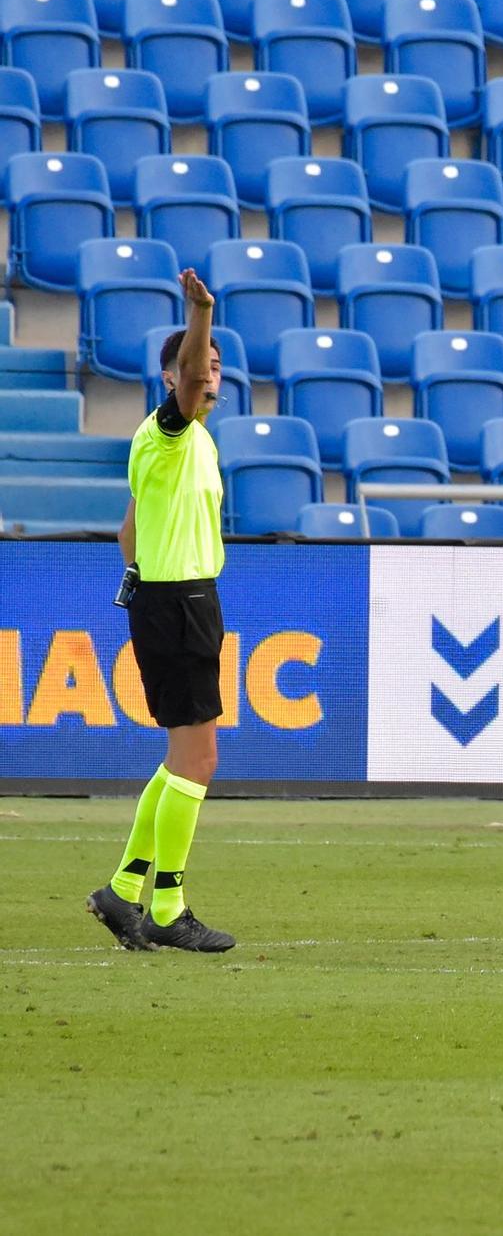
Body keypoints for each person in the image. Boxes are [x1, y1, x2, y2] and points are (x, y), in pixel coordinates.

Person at [86, 271, 236, 954]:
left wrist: (133, 574)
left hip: (178, 599)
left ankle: (122, 892)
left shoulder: (190, 441)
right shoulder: (170, 431)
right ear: (178, 378)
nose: (213, 376)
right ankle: (169, 906)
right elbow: (186, 382)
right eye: (204, 366)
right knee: (198, 758)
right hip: (178, 602)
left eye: (216, 365)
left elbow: (128, 524)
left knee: (182, 758)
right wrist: (200, 312)